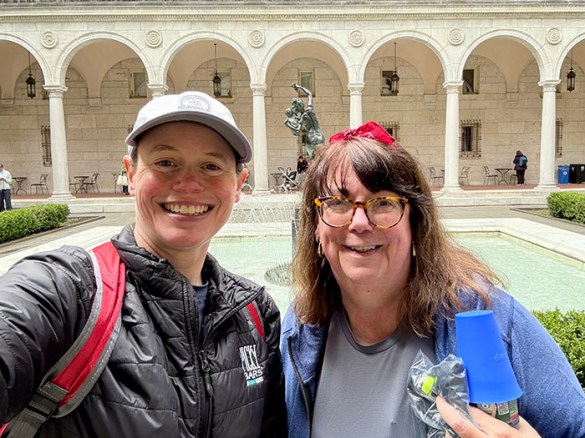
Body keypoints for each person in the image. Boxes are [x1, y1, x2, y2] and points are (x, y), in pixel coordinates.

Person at [0, 91, 287, 436]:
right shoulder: (67, 289)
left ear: (238, 185)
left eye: (211, 166)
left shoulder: (256, 312)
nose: (188, 184)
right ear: (131, 175)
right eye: (165, 162)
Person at [280, 121, 585, 437]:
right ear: (315, 227)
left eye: (383, 202)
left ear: (415, 223)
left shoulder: (490, 317)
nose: (359, 222)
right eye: (337, 203)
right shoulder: (300, 328)